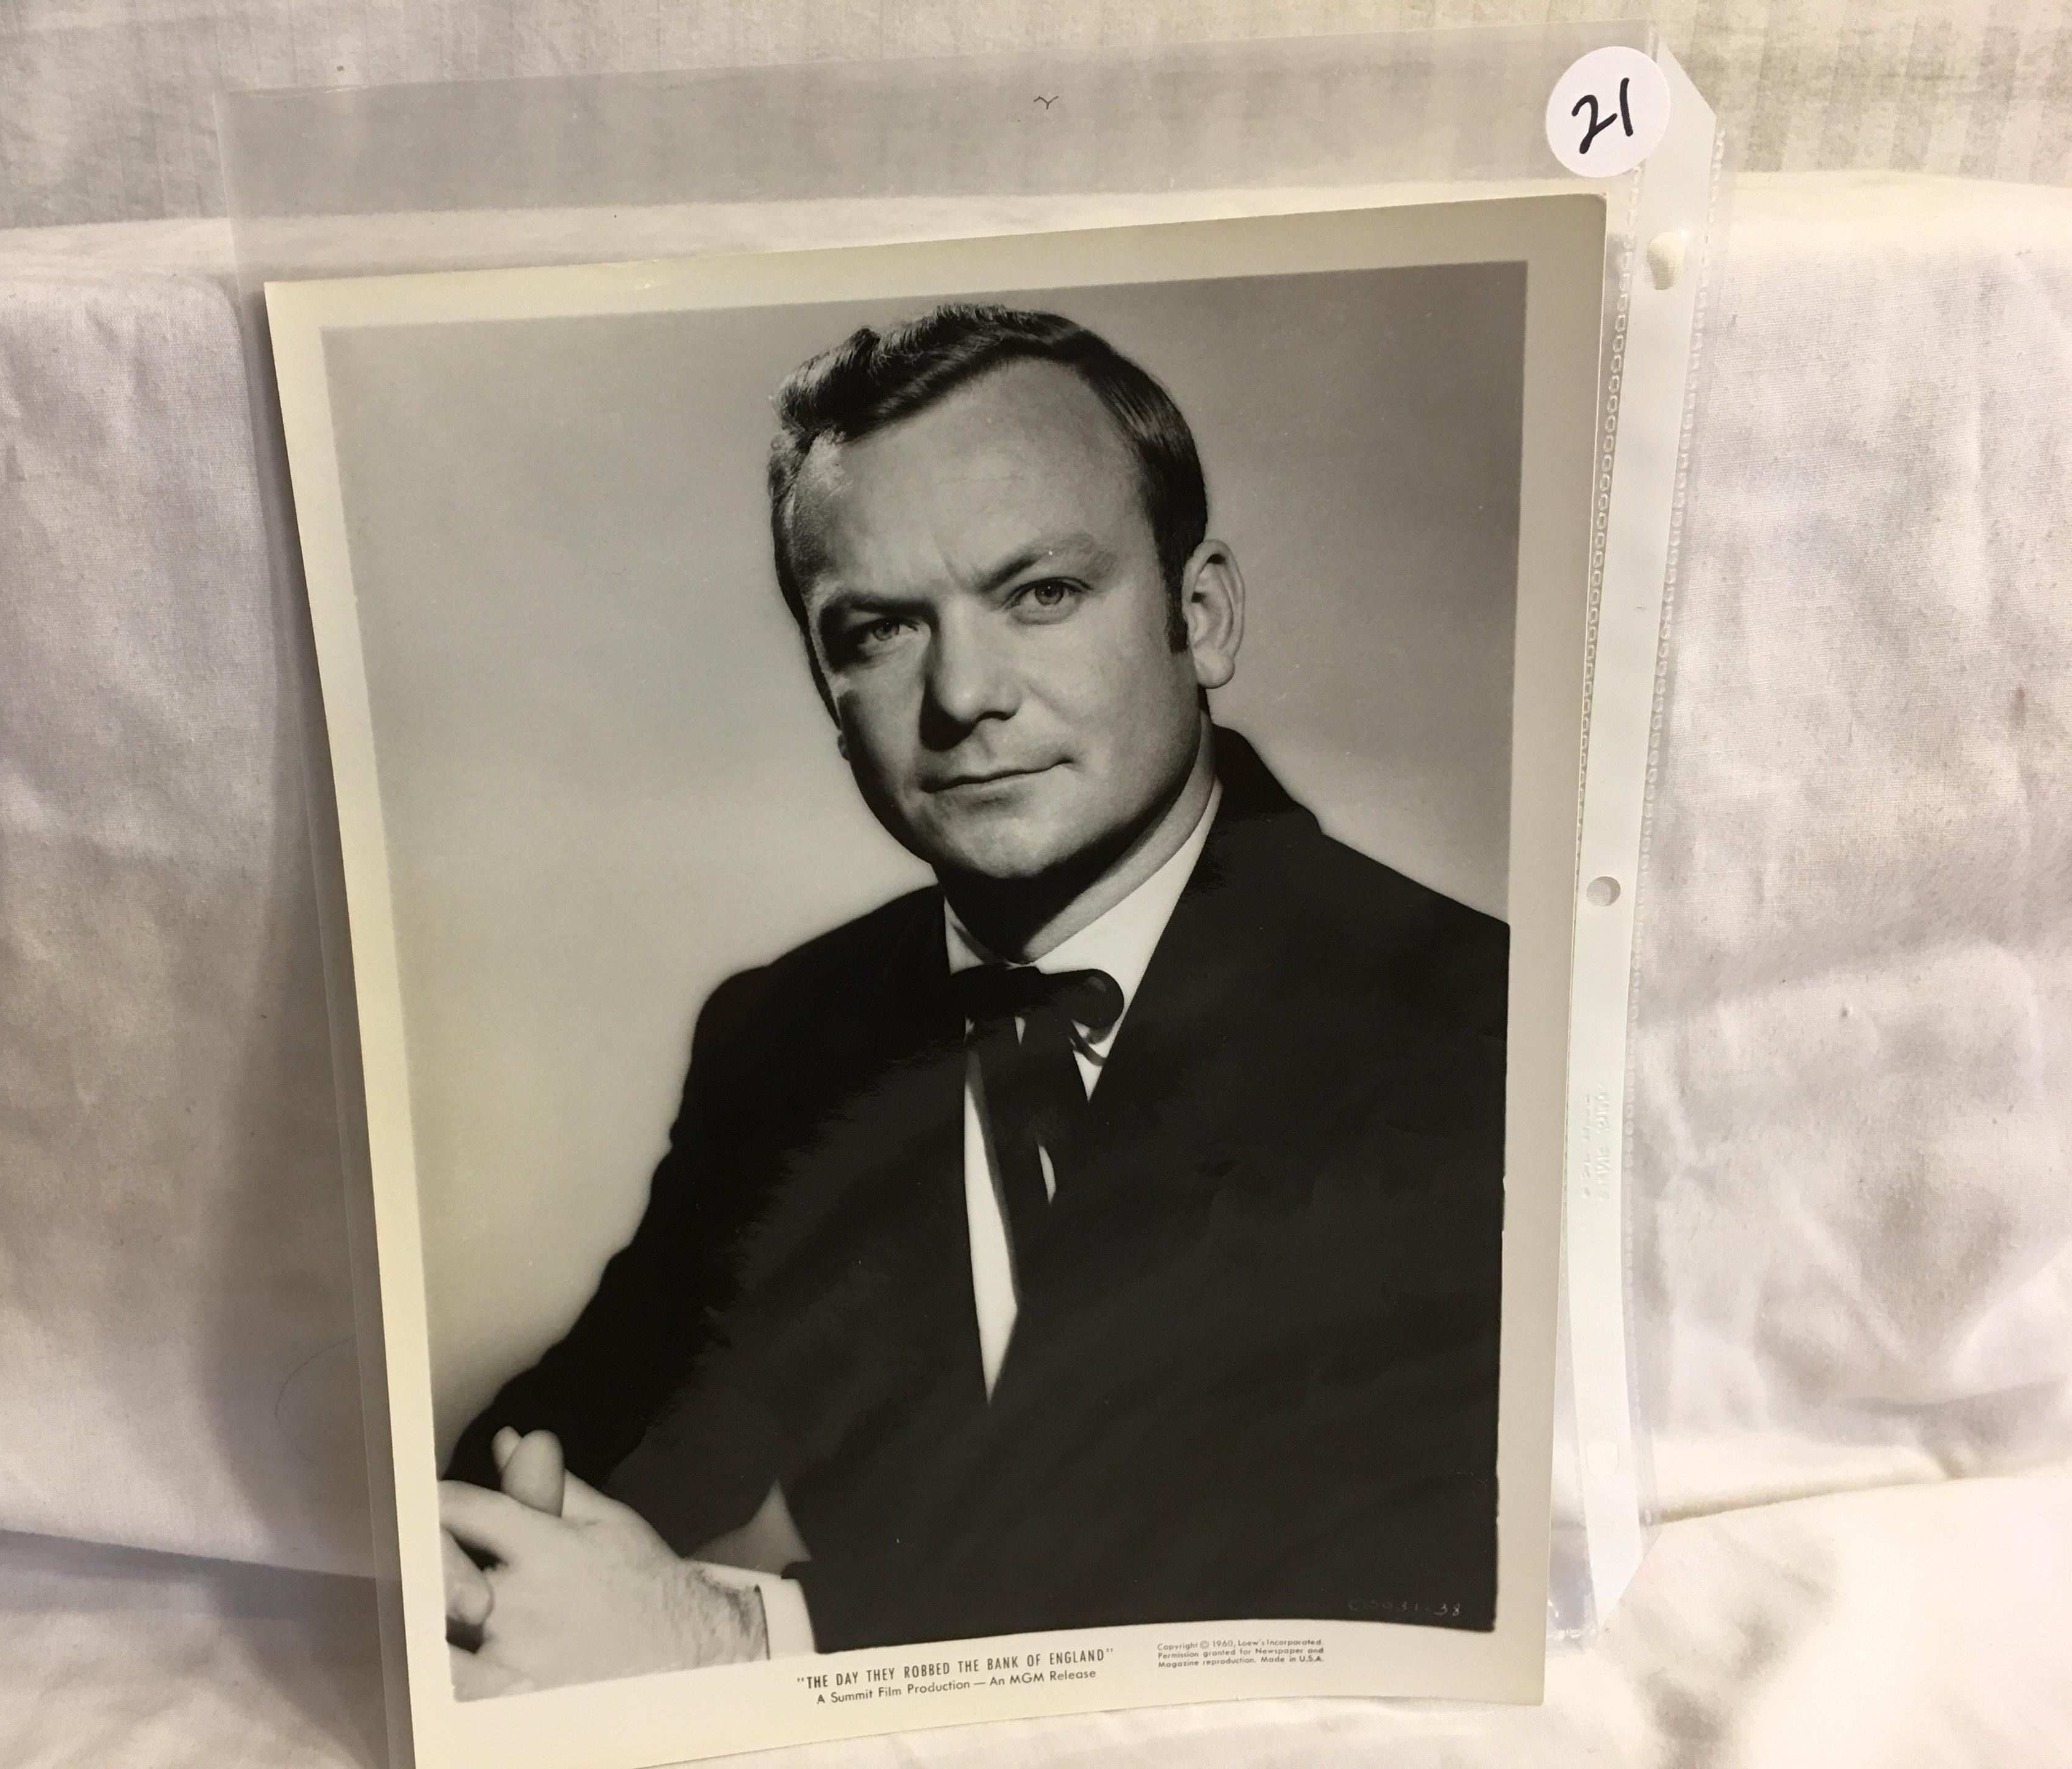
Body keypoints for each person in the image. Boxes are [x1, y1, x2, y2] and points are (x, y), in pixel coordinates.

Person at [439, 303, 1508, 1693]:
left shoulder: (1461, 1022)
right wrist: (517, 1520)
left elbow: (1333, 1569)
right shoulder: (788, 1035)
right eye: (881, 630)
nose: (963, 694)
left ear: (1203, 616)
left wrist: (746, 1638)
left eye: (1041, 594)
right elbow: (624, 1423)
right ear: (830, 693)